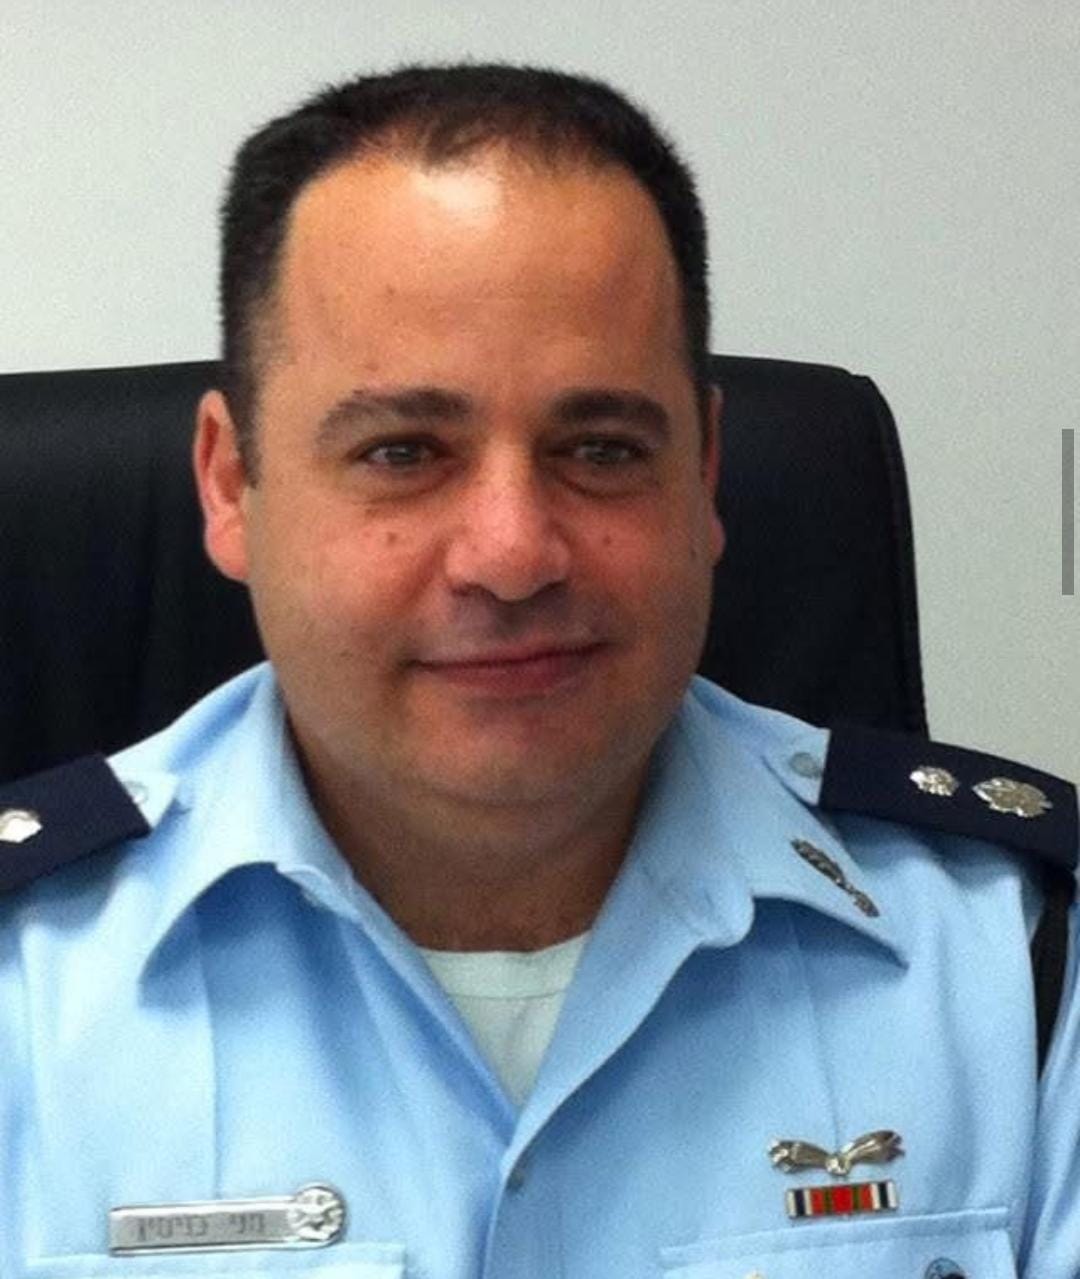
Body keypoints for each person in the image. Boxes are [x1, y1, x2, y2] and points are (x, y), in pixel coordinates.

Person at [0, 63, 1077, 1278]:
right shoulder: (25, 993)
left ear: (703, 477)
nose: (512, 555)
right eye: (404, 451)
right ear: (231, 482)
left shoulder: (1020, 961)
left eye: (601, 449)